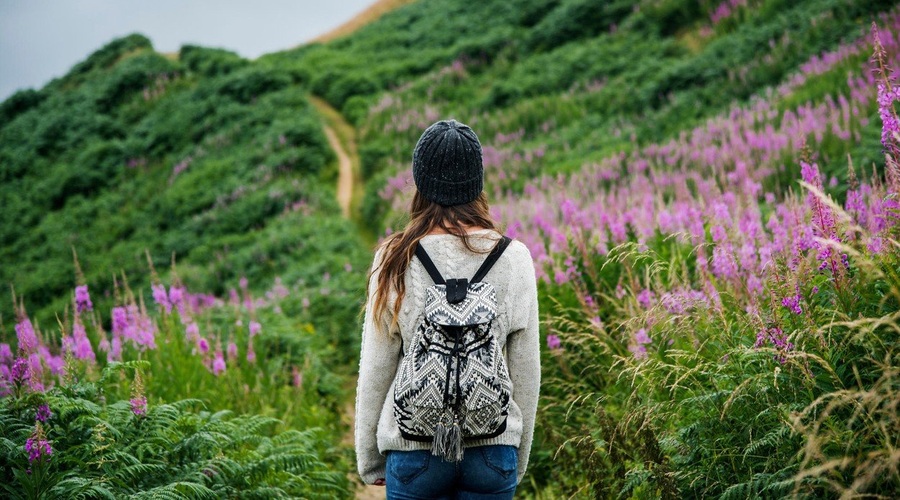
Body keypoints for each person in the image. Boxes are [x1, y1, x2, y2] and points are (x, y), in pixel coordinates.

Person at [355, 119, 541, 499]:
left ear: (420, 182)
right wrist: (515, 456)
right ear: (477, 183)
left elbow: (377, 366)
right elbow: (526, 368)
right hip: (493, 448)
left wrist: (371, 459)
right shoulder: (514, 258)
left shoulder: (393, 257)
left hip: (414, 449)